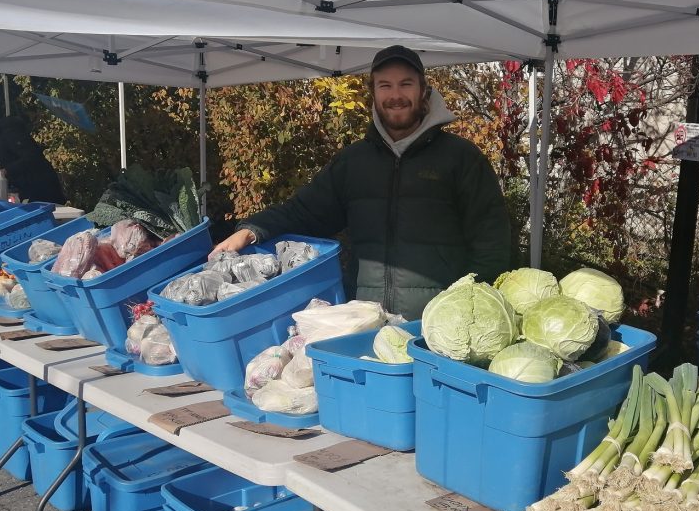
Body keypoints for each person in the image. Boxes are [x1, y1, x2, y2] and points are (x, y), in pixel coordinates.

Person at [211, 45, 511, 319]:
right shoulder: (353, 162)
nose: (396, 95)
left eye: (406, 83)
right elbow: (303, 213)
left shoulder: (461, 158)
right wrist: (251, 232)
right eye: (385, 85)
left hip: (438, 327)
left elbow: (492, 244)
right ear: (373, 93)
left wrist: (467, 309)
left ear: (423, 90)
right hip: (366, 320)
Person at [0, 109, 66, 204]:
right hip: (27, 187)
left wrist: (5, 171)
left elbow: (31, 157)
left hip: (41, 187)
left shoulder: (10, 133)